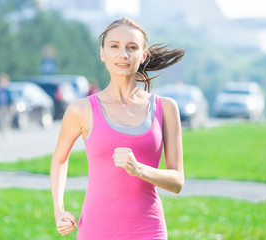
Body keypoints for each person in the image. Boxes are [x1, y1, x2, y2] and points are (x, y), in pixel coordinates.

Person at [50, 17, 185, 239]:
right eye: (114, 46)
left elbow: (177, 182)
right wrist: (59, 210)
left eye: (132, 47)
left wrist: (138, 169)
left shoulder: (166, 108)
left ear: (143, 55)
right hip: (96, 229)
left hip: (149, 229)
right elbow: (59, 159)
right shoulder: (81, 110)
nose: (123, 54)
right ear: (102, 53)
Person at [0, 73, 14, 148]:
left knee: (6, 125)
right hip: (0, 109)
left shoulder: (7, 91)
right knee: (2, 125)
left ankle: (7, 140)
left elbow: (11, 101)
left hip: (6, 109)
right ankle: (3, 140)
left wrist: (12, 109)